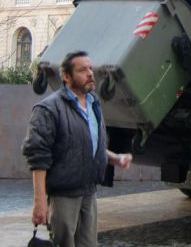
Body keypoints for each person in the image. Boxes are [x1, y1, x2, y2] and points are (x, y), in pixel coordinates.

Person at [22, 50, 133, 247]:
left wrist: (115, 158)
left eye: (90, 68)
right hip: (63, 195)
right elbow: (38, 157)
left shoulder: (93, 104)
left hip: (89, 193)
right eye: (82, 70)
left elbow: (89, 143)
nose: (90, 73)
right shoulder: (48, 109)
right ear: (66, 76)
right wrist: (39, 202)